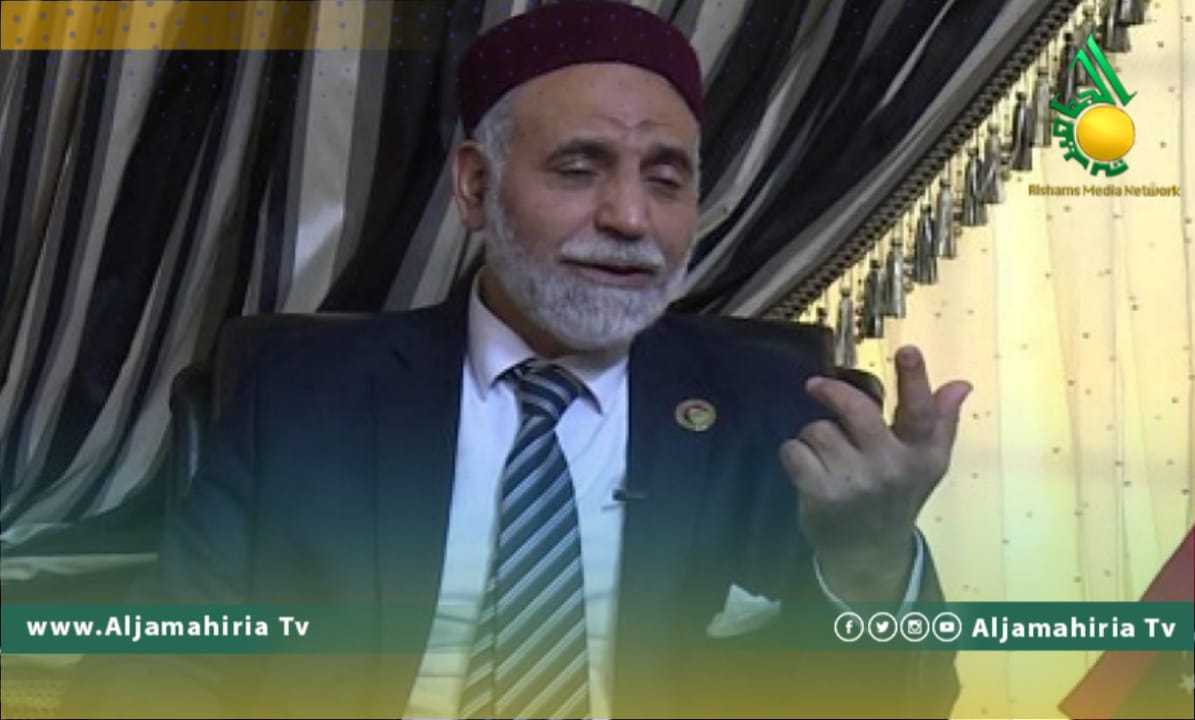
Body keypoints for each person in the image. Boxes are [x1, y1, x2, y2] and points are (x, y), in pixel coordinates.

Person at [72, 2, 969, 717]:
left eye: (666, 179)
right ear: (475, 186)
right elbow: (172, 663)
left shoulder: (783, 409)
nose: (630, 217)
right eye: (579, 168)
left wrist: (869, 565)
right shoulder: (303, 394)